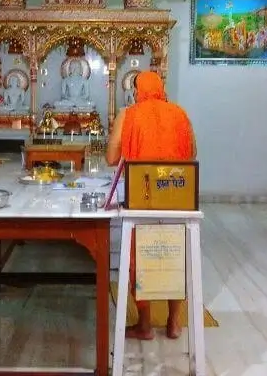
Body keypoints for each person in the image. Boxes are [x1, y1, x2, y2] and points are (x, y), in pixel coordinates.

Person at [106, 70, 197, 340]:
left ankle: (145, 325)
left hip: (142, 196)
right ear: (161, 88)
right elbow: (191, 153)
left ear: (137, 90)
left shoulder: (128, 114)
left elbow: (112, 157)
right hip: (176, 196)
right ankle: (174, 323)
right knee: (174, 254)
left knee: (141, 258)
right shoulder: (180, 113)